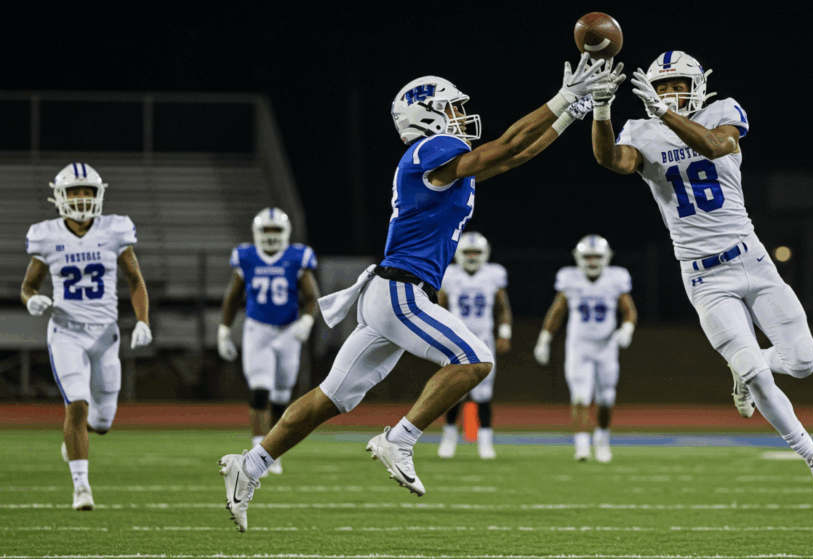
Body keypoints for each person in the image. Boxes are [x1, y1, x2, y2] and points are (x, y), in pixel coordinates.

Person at [217, 54, 612, 532]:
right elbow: (506, 144)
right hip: (401, 290)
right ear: (426, 116)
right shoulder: (428, 150)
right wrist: (563, 97)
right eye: (452, 108)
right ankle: (400, 439)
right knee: (475, 360)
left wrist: (571, 113)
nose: (460, 116)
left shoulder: (448, 164)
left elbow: (517, 156)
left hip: (390, 292)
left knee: (329, 398)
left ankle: (250, 465)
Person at [587, 51, 813, 498]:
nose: (669, 94)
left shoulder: (722, 112)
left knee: (803, 363)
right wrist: (602, 109)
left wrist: (664, 113)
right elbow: (611, 159)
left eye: (677, 86)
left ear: (699, 86)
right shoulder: (641, 131)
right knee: (756, 373)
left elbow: (714, 146)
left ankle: (746, 367)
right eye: (662, 88)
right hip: (704, 277)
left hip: (751, 259)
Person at [21, 163, 152, 511]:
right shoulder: (47, 235)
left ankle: (74, 438)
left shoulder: (114, 230)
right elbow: (29, 284)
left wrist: (143, 321)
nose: (81, 198)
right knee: (77, 403)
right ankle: (81, 487)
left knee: (103, 422)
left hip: (105, 335)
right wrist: (31, 300)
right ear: (60, 196)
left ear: (99, 194)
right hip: (66, 333)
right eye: (74, 192)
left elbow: (135, 280)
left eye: (87, 191)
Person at [217, 207, 321, 475]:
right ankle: (257, 451)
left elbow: (312, 297)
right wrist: (224, 330)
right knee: (260, 390)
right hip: (258, 329)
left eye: (276, 230)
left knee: (281, 395)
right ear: (257, 232)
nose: (271, 235)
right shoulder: (247, 256)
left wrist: (307, 321)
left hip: (288, 331)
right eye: (267, 230)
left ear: (286, 232)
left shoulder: (297, 256)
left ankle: (271, 451)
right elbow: (233, 297)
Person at [534, 235, 636, 463]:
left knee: (606, 398)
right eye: (588, 257)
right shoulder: (570, 279)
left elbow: (628, 309)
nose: (592, 261)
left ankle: (602, 440)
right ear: (578, 257)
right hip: (579, 345)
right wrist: (544, 339)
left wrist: (627, 328)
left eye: (596, 256)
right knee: (580, 396)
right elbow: (557, 312)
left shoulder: (616, 278)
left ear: (606, 257)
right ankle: (581, 446)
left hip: (606, 346)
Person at [435, 232, 511, 459]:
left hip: (483, 340)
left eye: (476, 252)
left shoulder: (493, 275)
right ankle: (449, 439)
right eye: (467, 252)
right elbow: (439, 308)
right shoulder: (450, 275)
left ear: (485, 253)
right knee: (453, 390)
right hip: (457, 340)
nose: (471, 256)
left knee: (483, 393)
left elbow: (502, 307)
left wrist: (504, 333)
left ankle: (485, 442)